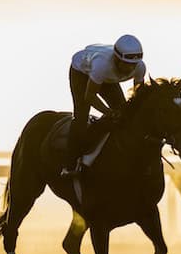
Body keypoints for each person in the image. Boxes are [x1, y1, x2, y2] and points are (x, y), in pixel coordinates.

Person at [61, 34, 147, 176]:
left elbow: (139, 98)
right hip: (82, 73)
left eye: (133, 65)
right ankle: (69, 165)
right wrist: (108, 112)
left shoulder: (140, 67)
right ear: (116, 59)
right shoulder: (102, 65)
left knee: (124, 114)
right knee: (81, 117)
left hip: (106, 78)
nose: (130, 69)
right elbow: (89, 97)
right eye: (126, 64)